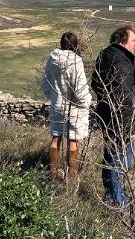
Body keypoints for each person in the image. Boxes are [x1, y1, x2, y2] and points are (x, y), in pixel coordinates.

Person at [92, 25, 135, 206]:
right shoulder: (121, 62)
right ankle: (116, 200)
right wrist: (126, 127)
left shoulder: (106, 56)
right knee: (120, 160)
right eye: (133, 40)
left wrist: (104, 103)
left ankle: (111, 194)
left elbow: (95, 83)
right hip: (120, 120)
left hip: (107, 115)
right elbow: (124, 98)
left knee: (112, 156)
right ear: (122, 41)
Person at [42, 31, 92, 184]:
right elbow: (80, 89)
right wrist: (86, 101)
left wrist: (53, 96)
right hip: (74, 107)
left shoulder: (52, 60)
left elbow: (45, 84)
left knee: (56, 137)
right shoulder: (76, 62)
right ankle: (72, 175)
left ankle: (52, 172)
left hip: (57, 104)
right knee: (73, 141)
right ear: (75, 44)